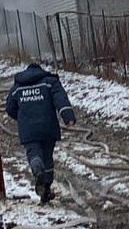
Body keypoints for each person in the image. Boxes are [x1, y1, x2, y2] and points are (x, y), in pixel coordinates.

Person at [5, 62, 77, 204]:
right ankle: (47, 188)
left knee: (34, 152)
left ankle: (37, 168)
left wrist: (22, 118)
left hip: (28, 129)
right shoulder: (50, 82)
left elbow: (9, 108)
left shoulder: (17, 87)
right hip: (48, 126)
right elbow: (60, 100)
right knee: (48, 156)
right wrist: (68, 117)